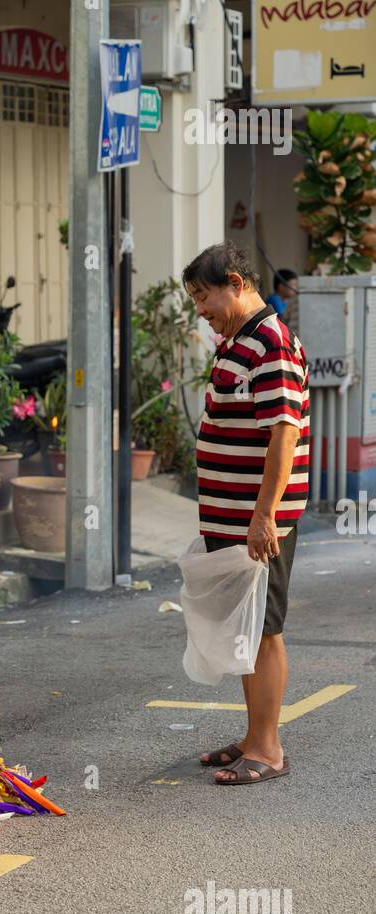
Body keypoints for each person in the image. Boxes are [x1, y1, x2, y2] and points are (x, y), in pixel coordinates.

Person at [182, 242, 309, 785]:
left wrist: (264, 516)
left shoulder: (270, 342)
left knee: (264, 630)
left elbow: (284, 434)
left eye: (203, 296)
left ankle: (268, 747)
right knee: (245, 626)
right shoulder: (240, 340)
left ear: (235, 282)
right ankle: (254, 733)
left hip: (255, 522)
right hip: (229, 518)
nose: (200, 309)